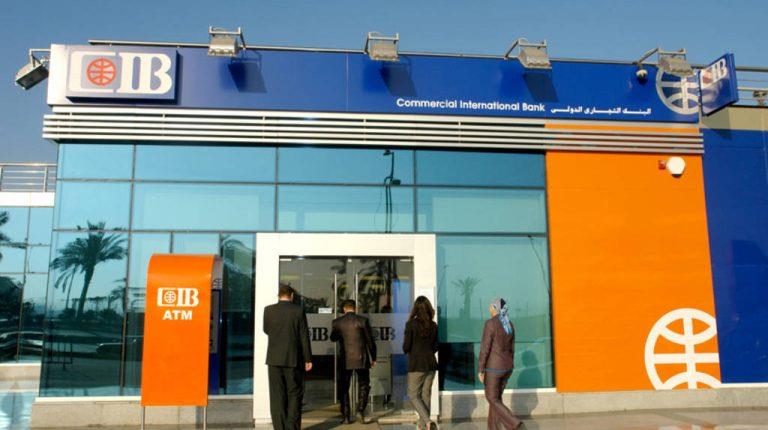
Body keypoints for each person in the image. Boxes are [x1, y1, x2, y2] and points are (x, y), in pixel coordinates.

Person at [263, 284, 313, 430]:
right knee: (294, 394)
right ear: (291, 296)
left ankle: (279, 427)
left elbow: (266, 330)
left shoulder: (268, 310)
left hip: (273, 359)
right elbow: (304, 336)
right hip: (293, 358)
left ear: (278, 296)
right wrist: (308, 358)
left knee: (277, 395)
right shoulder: (298, 310)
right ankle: (292, 427)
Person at [478, 298, 522, 430]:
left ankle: (515, 424)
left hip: (494, 369)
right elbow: (512, 349)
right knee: (496, 400)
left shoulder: (490, 324)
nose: (489, 310)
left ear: (495, 308)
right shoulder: (509, 324)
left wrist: (480, 369)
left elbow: (485, 348)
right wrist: (510, 365)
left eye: (490, 307)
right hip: (507, 368)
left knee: (491, 398)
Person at [331, 299, 377, 424]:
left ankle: (346, 416)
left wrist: (339, 333)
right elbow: (370, 341)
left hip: (345, 359)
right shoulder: (363, 321)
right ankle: (360, 410)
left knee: (344, 387)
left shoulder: (337, 322)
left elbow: (332, 338)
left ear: (344, 309)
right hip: (361, 358)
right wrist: (373, 357)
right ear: (355, 308)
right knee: (364, 384)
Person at [403, 296, 438, 430]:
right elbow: (435, 346)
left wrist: (411, 351)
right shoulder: (434, 325)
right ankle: (423, 425)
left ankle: (428, 422)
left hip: (417, 365)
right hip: (431, 364)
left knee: (412, 394)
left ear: (415, 309)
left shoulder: (411, 324)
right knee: (425, 395)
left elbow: (406, 347)